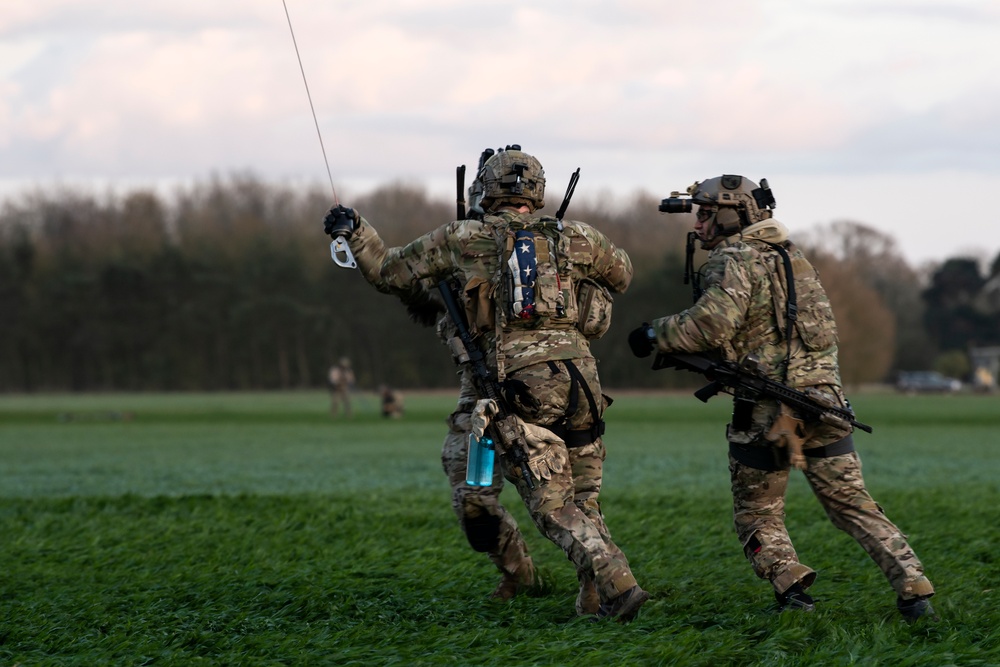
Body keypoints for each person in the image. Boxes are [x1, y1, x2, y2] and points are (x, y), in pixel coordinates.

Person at [324, 146, 647, 620]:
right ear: (535, 192)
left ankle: (615, 583)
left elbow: (390, 271)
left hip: (514, 390)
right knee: (581, 497)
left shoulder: (463, 238)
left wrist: (354, 229)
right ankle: (581, 593)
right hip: (583, 385)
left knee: (549, 504)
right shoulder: (579, 236)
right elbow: (622, 274)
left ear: (486, 189)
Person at [628, 175, 936, 621]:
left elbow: (710, 326)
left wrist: (653, 333)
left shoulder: (733, 259)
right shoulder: (795, 259)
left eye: (707, 213)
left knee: (757, 514)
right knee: (853, 505)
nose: (698, 223)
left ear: (733, 215)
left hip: (766, 413)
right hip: (825, 405)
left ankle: (793, 593)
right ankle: (914, 587)